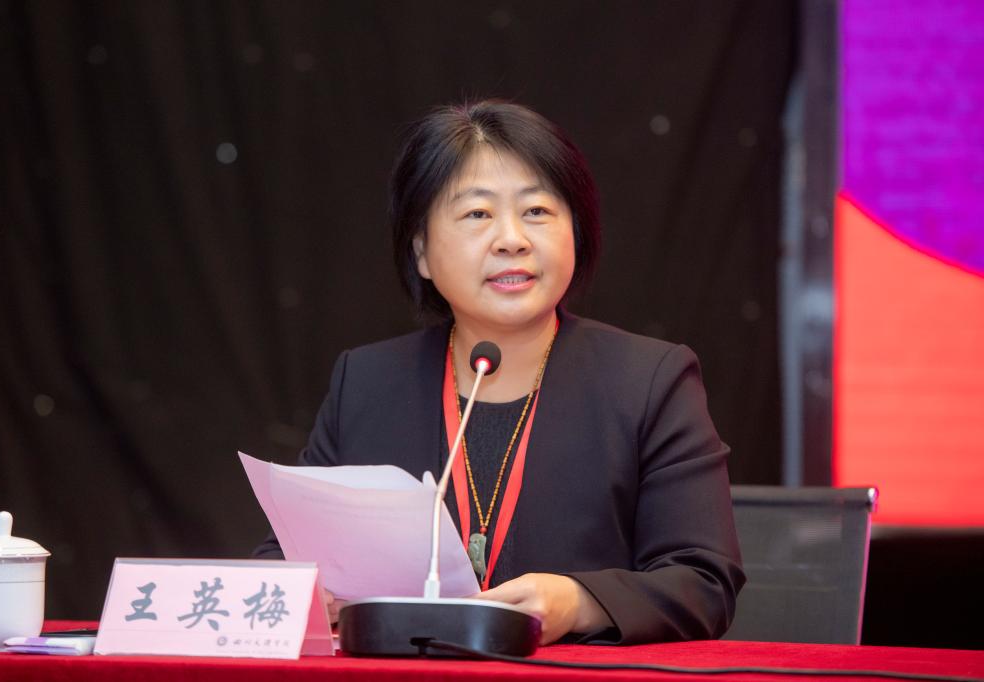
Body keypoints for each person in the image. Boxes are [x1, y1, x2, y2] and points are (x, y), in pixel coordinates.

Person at [254, 100, 745, 645]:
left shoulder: (648, 381)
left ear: (575, 234)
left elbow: (704, 582)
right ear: (421, 252)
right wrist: (310, 594)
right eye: (477, 214)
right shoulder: (368, 383)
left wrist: (579, 603)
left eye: (537, 211)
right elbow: (285, 555)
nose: (512, 239)